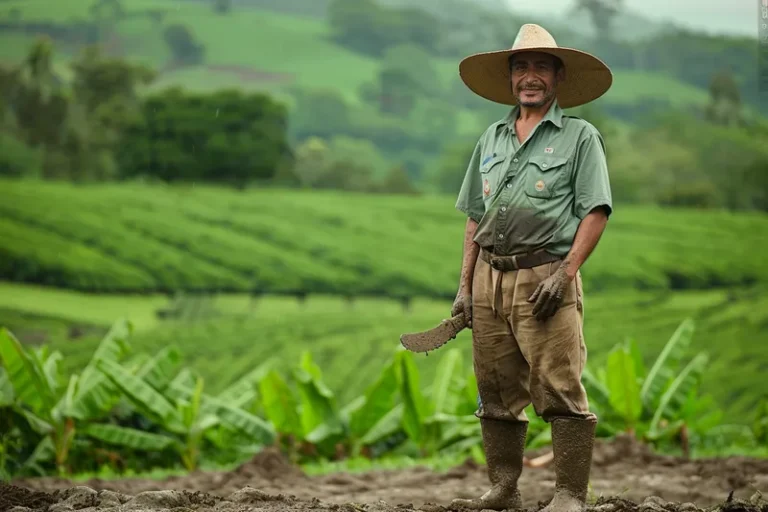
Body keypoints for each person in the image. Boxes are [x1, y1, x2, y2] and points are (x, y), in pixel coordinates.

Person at [449, 24, 614, 512]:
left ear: (558, 77)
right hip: (489, 278)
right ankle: (504, 489)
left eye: (541, 66)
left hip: (546, 277)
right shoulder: (492, 137)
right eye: (521, 67)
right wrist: (464, 288)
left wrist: (565, 273)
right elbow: (475, 216)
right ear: (510, 78)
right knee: (495, 388)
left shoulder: (580, 137)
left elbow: (596, 210)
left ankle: (568, 496)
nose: (530, 77)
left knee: (559, 385)